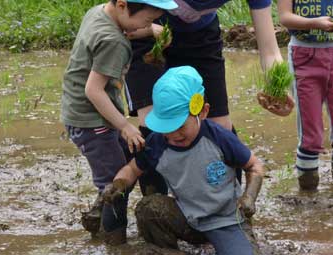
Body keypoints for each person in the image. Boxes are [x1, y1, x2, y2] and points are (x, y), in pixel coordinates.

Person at [124, 0, 282, 193]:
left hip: (201, 35)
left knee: (219, 128)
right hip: (147, 31)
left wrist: (278, 91)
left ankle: (234, 207)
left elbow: (270, 50)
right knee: (154, 127)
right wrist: (151, 30)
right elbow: (122, 21)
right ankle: (156, 206)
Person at [103, 66, 265, 254]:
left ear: (202, 112)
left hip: (226, 220)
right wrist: (119, 183)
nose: (173, 134)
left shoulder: (219, 137)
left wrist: (249, 197)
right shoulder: (157, 142)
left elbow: (255, 166)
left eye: (179, 126)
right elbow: (131, 170)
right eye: (166, 127)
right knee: (149, 209)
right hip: (187, 218)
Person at [60, 0, 178, 244]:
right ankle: (114, 241)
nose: (150, 24)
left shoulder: (101, 12)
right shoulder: (114, 42)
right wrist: (124, 126)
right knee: (117, 184)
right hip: (92, 120)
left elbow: (128, 26)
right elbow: (93, 91)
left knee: (124, 162)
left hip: (80, 111)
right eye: (148, 20)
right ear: (123, 5)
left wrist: (149, 30)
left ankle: (98, 215)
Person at [278, 0, 333, 191]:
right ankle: (308, 190)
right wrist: (314, 23)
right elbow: (285, 17)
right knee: (311, 132)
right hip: (304, 54)